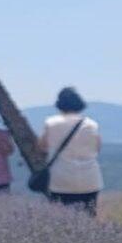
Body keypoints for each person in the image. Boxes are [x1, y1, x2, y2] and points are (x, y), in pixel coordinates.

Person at [37, 87, 103, 215]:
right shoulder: (91, 125)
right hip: (89, 179)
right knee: (88, 217)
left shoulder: (51, 123)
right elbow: (97, 148)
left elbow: (42, 147)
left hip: (61, 179)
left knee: (62, 219)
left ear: (59, 104)